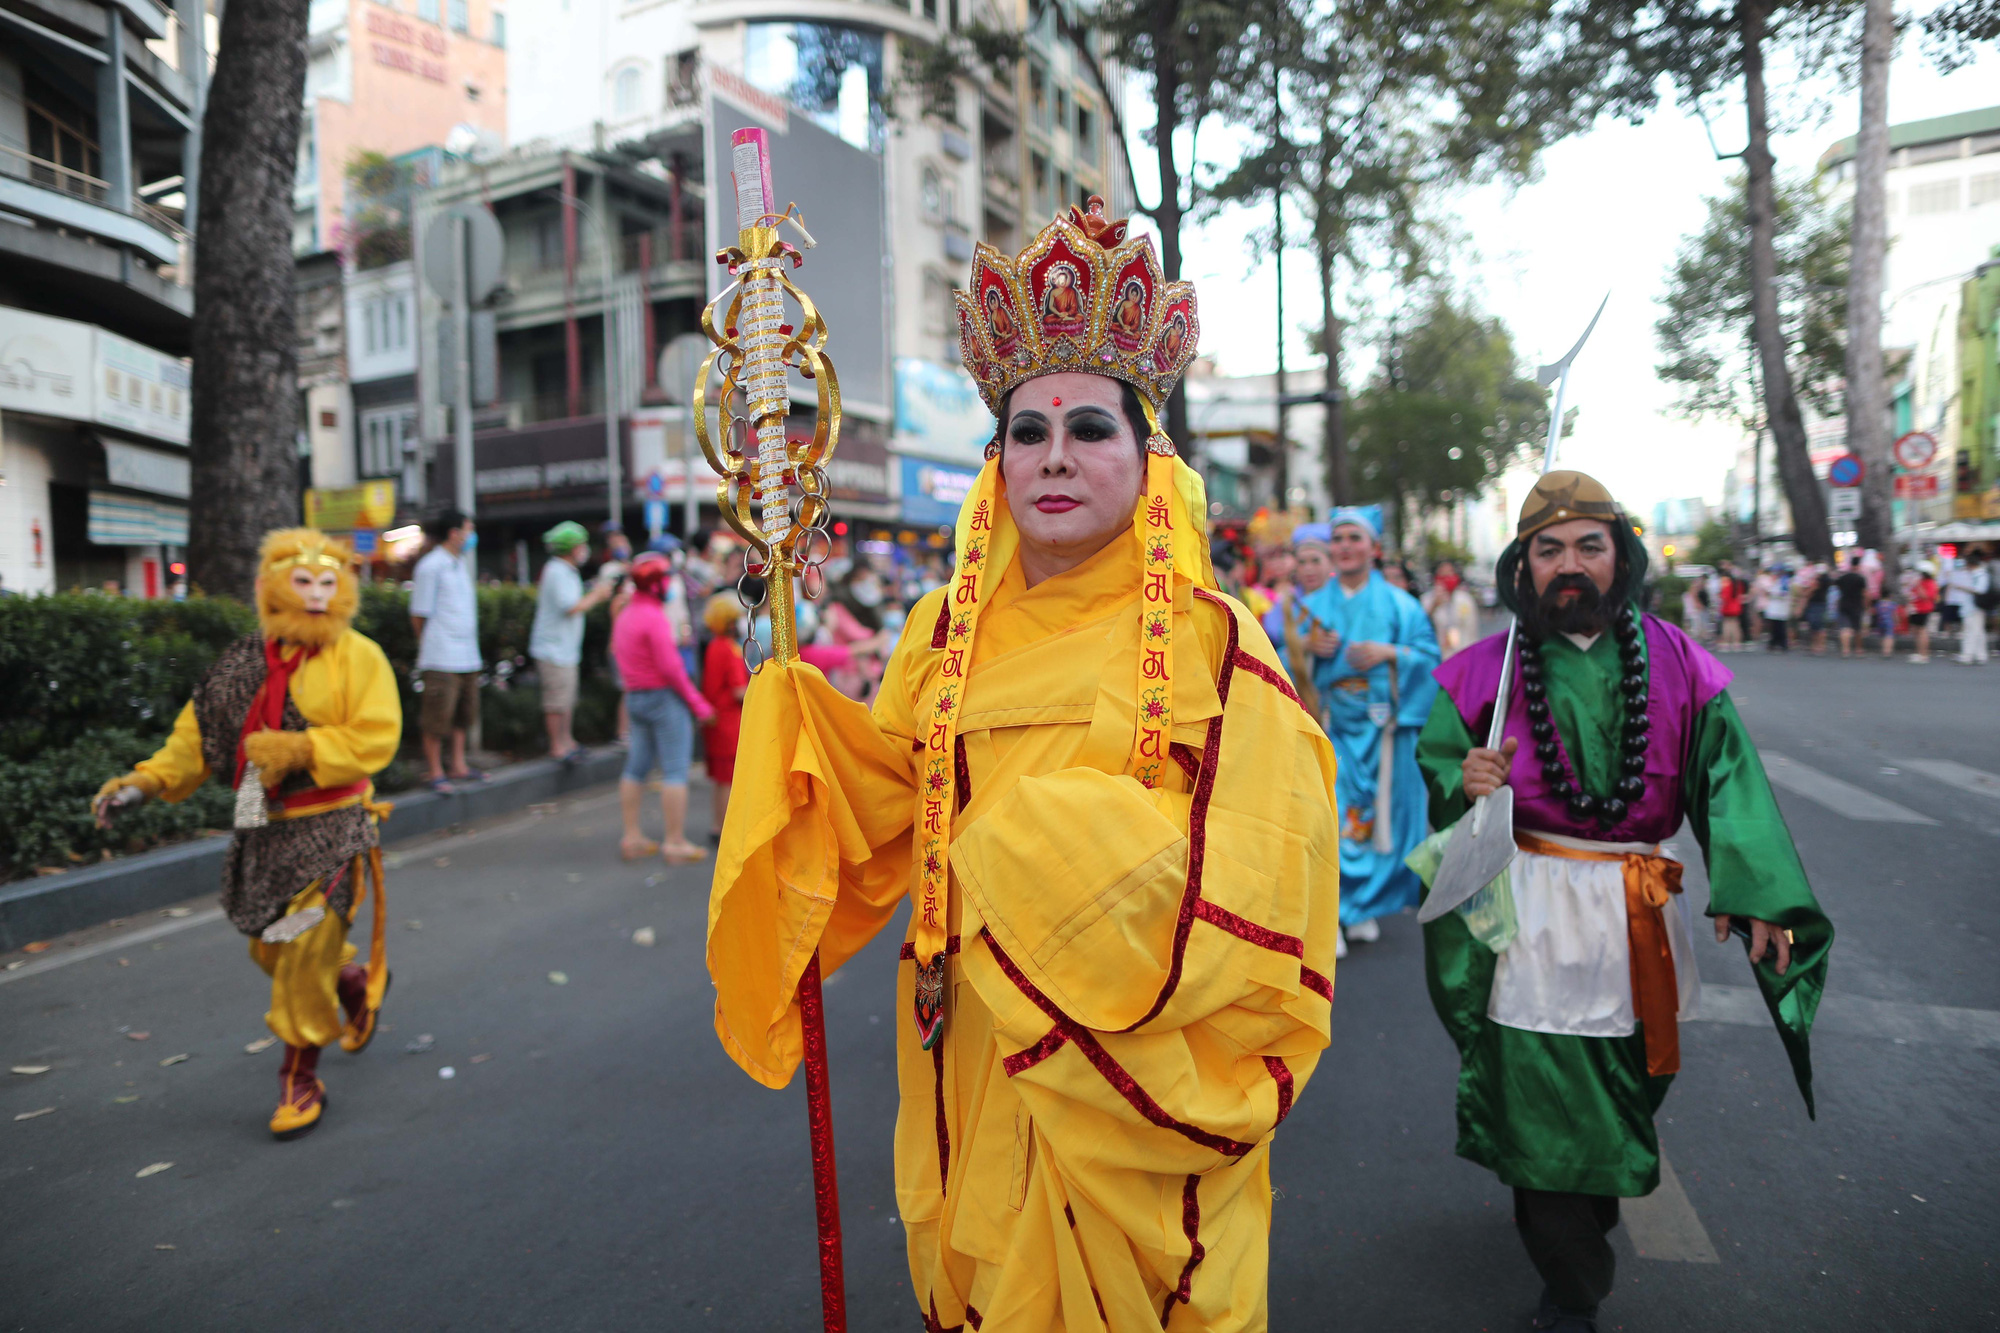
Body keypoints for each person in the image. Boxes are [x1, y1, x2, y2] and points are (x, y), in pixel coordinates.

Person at [707, 197, 1341, 1331]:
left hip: (1123, 1067)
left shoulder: (1216, 643)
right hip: (965, 1043)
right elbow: (893, 807)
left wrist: (1047, 863)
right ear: (995, 460)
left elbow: (1273, 877)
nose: (1053, 457)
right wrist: (800, 729)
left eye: (1089, 429)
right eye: (1025, 432)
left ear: (1147, 459)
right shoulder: (937, 635)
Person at [1414, 472, 1832, 1333]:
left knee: (1631, 1088)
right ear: (1522, 568)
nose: (1570, 564)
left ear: (1622, 555)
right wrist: (1465, 781)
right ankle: (1571, 1286)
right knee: (1540, 1096)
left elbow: (1731, 783)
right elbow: (1440, 773)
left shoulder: (1682, 662)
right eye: (1549, 548)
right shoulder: (1476, 672)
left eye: (1589, 546)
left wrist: (1756, 896)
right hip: (1527, 907)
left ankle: (1575, 1202)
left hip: (1642, 908)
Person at [90, 530, 400, 1139]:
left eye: (327, 584)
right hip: (263, 824)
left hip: (334, 824)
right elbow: (195, 739)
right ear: (272, 588)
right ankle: (351, 983)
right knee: (273, 946)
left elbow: (376, 737)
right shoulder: (240, 664)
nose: (315, 596)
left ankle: (299, 1073)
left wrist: (302, 747)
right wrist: (144, 783)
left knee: (306, 942)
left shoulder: (361, 656)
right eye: (302, 583)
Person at [1302, 506, 1440, 953]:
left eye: (1354, 538)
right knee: (1331, 817)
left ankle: (1359, 907)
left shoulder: (1402, 606)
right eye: (1338, 538)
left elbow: (1430, 659)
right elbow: (1274, 657)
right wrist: (1304, 648)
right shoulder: (1309, 607)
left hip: (1383, 734)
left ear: (1374, 548)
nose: (1344, 546)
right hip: (1331, 729)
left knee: (1378, 821)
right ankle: (1335, 914)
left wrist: (1392, 653)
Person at [611, 551, 713, 863]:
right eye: (666, 579)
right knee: (675, 770)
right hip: (663, 697)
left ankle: (632, 837)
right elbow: (671, 669)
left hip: (635, 697)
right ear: (656, 584)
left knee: (636, 767)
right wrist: (699, 705)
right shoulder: (654, 618)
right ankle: (675, 841)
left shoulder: (627, 614)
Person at [409, 508, 482, 793]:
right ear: (454, 533)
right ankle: (436, 770)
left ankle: (458, 765)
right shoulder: (431, 566)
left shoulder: (459, 564)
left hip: (467, 656)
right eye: (469, 529)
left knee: (463, 715)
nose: (471, 535)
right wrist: (427, 645)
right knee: (436, 718)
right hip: (441, 656)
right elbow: (419, 615)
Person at [529, 521, 612, 764]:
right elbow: (572, 607)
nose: (585, 549)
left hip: (563, 649)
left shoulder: (565, 570)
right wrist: (597, 595)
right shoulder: (557, 571)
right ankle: (558, 746)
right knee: (557, 701)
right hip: (553, 649)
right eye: (582, 544)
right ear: (572, 547)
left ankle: (567, 742)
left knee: (566, 699)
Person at [1261, 525, 1336, 720]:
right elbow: (1270, 662)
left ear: (1331, 563)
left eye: (1316, 561)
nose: (1308, 569)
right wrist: (1301, 646)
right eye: (1302, 562)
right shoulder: (1284, 607)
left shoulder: (1343, 602)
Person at [700, 593, 750, 842]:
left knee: (721, 779)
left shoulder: (713, 646)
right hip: (729, 722)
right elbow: (740, 691)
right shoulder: (730, 650)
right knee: (729, 779)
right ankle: (723, 828)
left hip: (716, 721)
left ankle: (717, 825)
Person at [819, 564, 895, 701]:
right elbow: (858, 635)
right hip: (848, 676)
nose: (866, 584)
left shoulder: (871, 608)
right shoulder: (837, 606)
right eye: (860, 579)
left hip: (871, 677)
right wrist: (877, 641)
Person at [1425, 558, 1483, 658]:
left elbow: (1472, 630)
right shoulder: (1427, 600)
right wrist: (1434, 606)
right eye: (1443, 575)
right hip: (1438, 656)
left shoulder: (1465, 599)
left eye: (1450, 574)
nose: (1448, 578)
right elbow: (1423, 627)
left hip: (1463, 654)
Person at [1948, 549, 1990, 664]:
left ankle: (1967, 655)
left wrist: (1962, 588)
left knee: (1971, 631)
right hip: (1974, 607)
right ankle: (1980, 656)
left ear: (1970, 564)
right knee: (1978, 632)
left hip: (1974, 607)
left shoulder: (1979, 575)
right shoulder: (1979, 574)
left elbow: (1980, 590)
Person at [1834, 555, 1869, 657]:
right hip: (1857, 605)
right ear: (1858, 565)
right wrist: (1867, 605)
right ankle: (1859, 649)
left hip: (1844, 603)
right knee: (1857, 629)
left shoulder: (1843, 577)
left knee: (1844, 628)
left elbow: (1837, 588)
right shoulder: (1860, 579)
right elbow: (1865, 593)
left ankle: (1845, 650)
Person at [1906, 562, 1939, 663]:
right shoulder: (1919, 581)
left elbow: (1925, 596)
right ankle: (1918, 652)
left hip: (1924, 609)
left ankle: (1924, 654)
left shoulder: (1931, 583)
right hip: (1915, 608)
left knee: (1922, 631)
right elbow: (1912, 593)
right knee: (1915, 631)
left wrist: (1919, 586)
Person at [1760, 566, 1791, 653]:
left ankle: (1782, 644)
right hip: (1773, 608)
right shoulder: (1773, 581)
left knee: (1781, 627)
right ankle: (1773, 643)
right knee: (1773, 627)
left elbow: (1782, 594)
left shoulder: (1785, 581)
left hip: (1781, 608)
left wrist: (1772, 592)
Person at [1716, 564, 1743, 652]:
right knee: (1735, 625)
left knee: (1727, 624)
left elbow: (1724, 597)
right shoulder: (1738, 584)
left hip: (1727, 607)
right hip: (1736, 606)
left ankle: (1726, 642)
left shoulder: (1726, 584)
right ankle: (1736, 643)